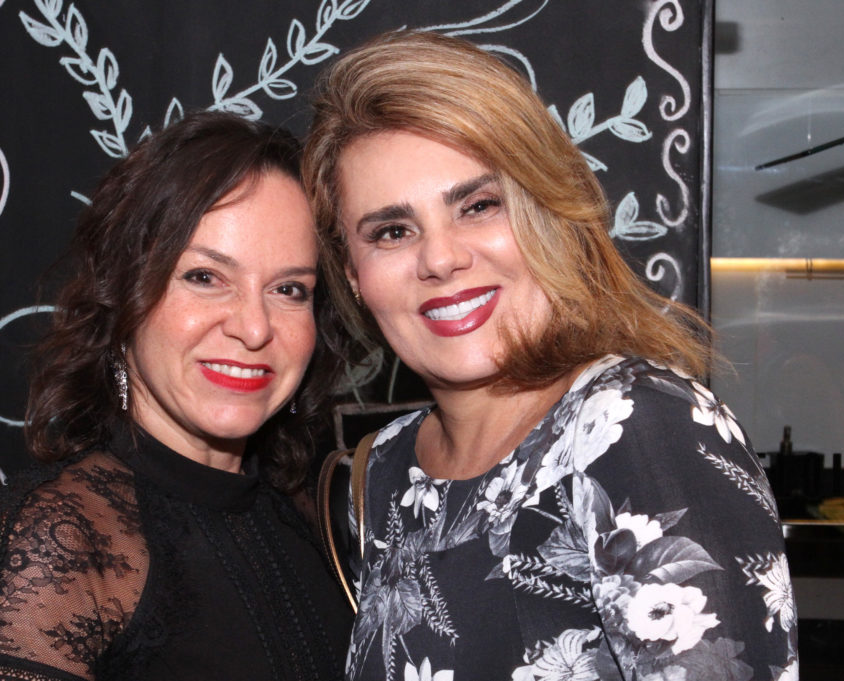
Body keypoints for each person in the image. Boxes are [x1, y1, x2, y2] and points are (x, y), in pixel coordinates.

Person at [303, 31, 797, 681]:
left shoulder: (637, 427)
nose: (441, 257)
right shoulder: (384, 472)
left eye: (478, 206)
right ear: (353, 273)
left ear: (547, 210)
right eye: (392, 231)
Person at [0, 111, 353, 681]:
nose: (254, 327)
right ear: (123, 293)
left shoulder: (313, 512)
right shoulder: (59, 543)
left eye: (289, 289)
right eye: (204, 277)